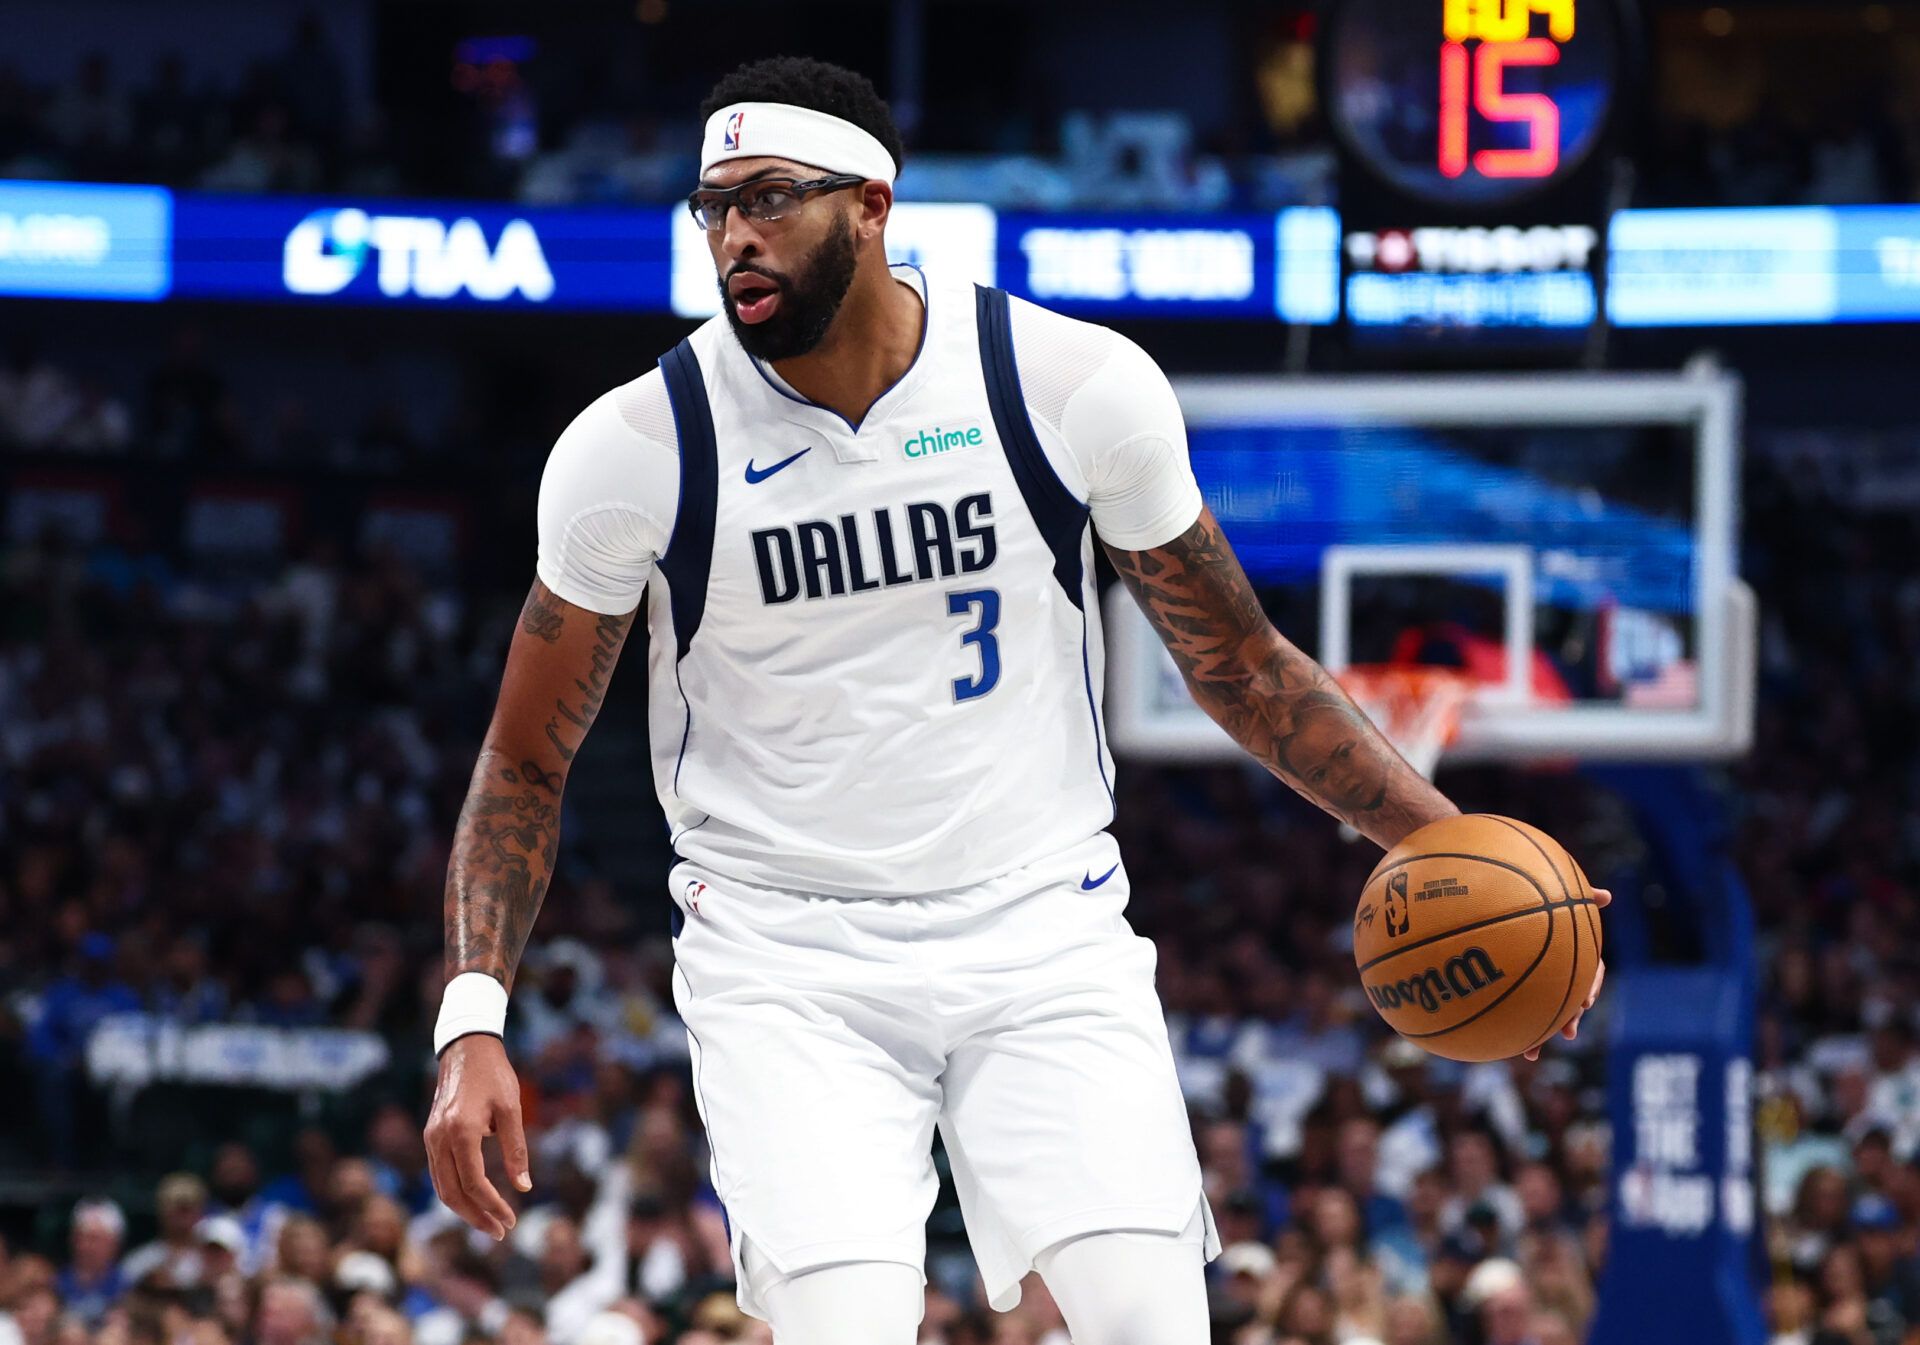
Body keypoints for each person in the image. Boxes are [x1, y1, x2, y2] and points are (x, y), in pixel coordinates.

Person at [422, 55, 1608, 1344]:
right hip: (785, 957)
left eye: (771, 199)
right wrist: (472, 1017)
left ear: (872, 206)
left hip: (1043, 926)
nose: (736, 236)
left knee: (1154, 1327)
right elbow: (524, 762)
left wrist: (1454, 846)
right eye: (714, 208)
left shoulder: (1064, 385)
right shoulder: (634, 450)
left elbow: (1243, 665)